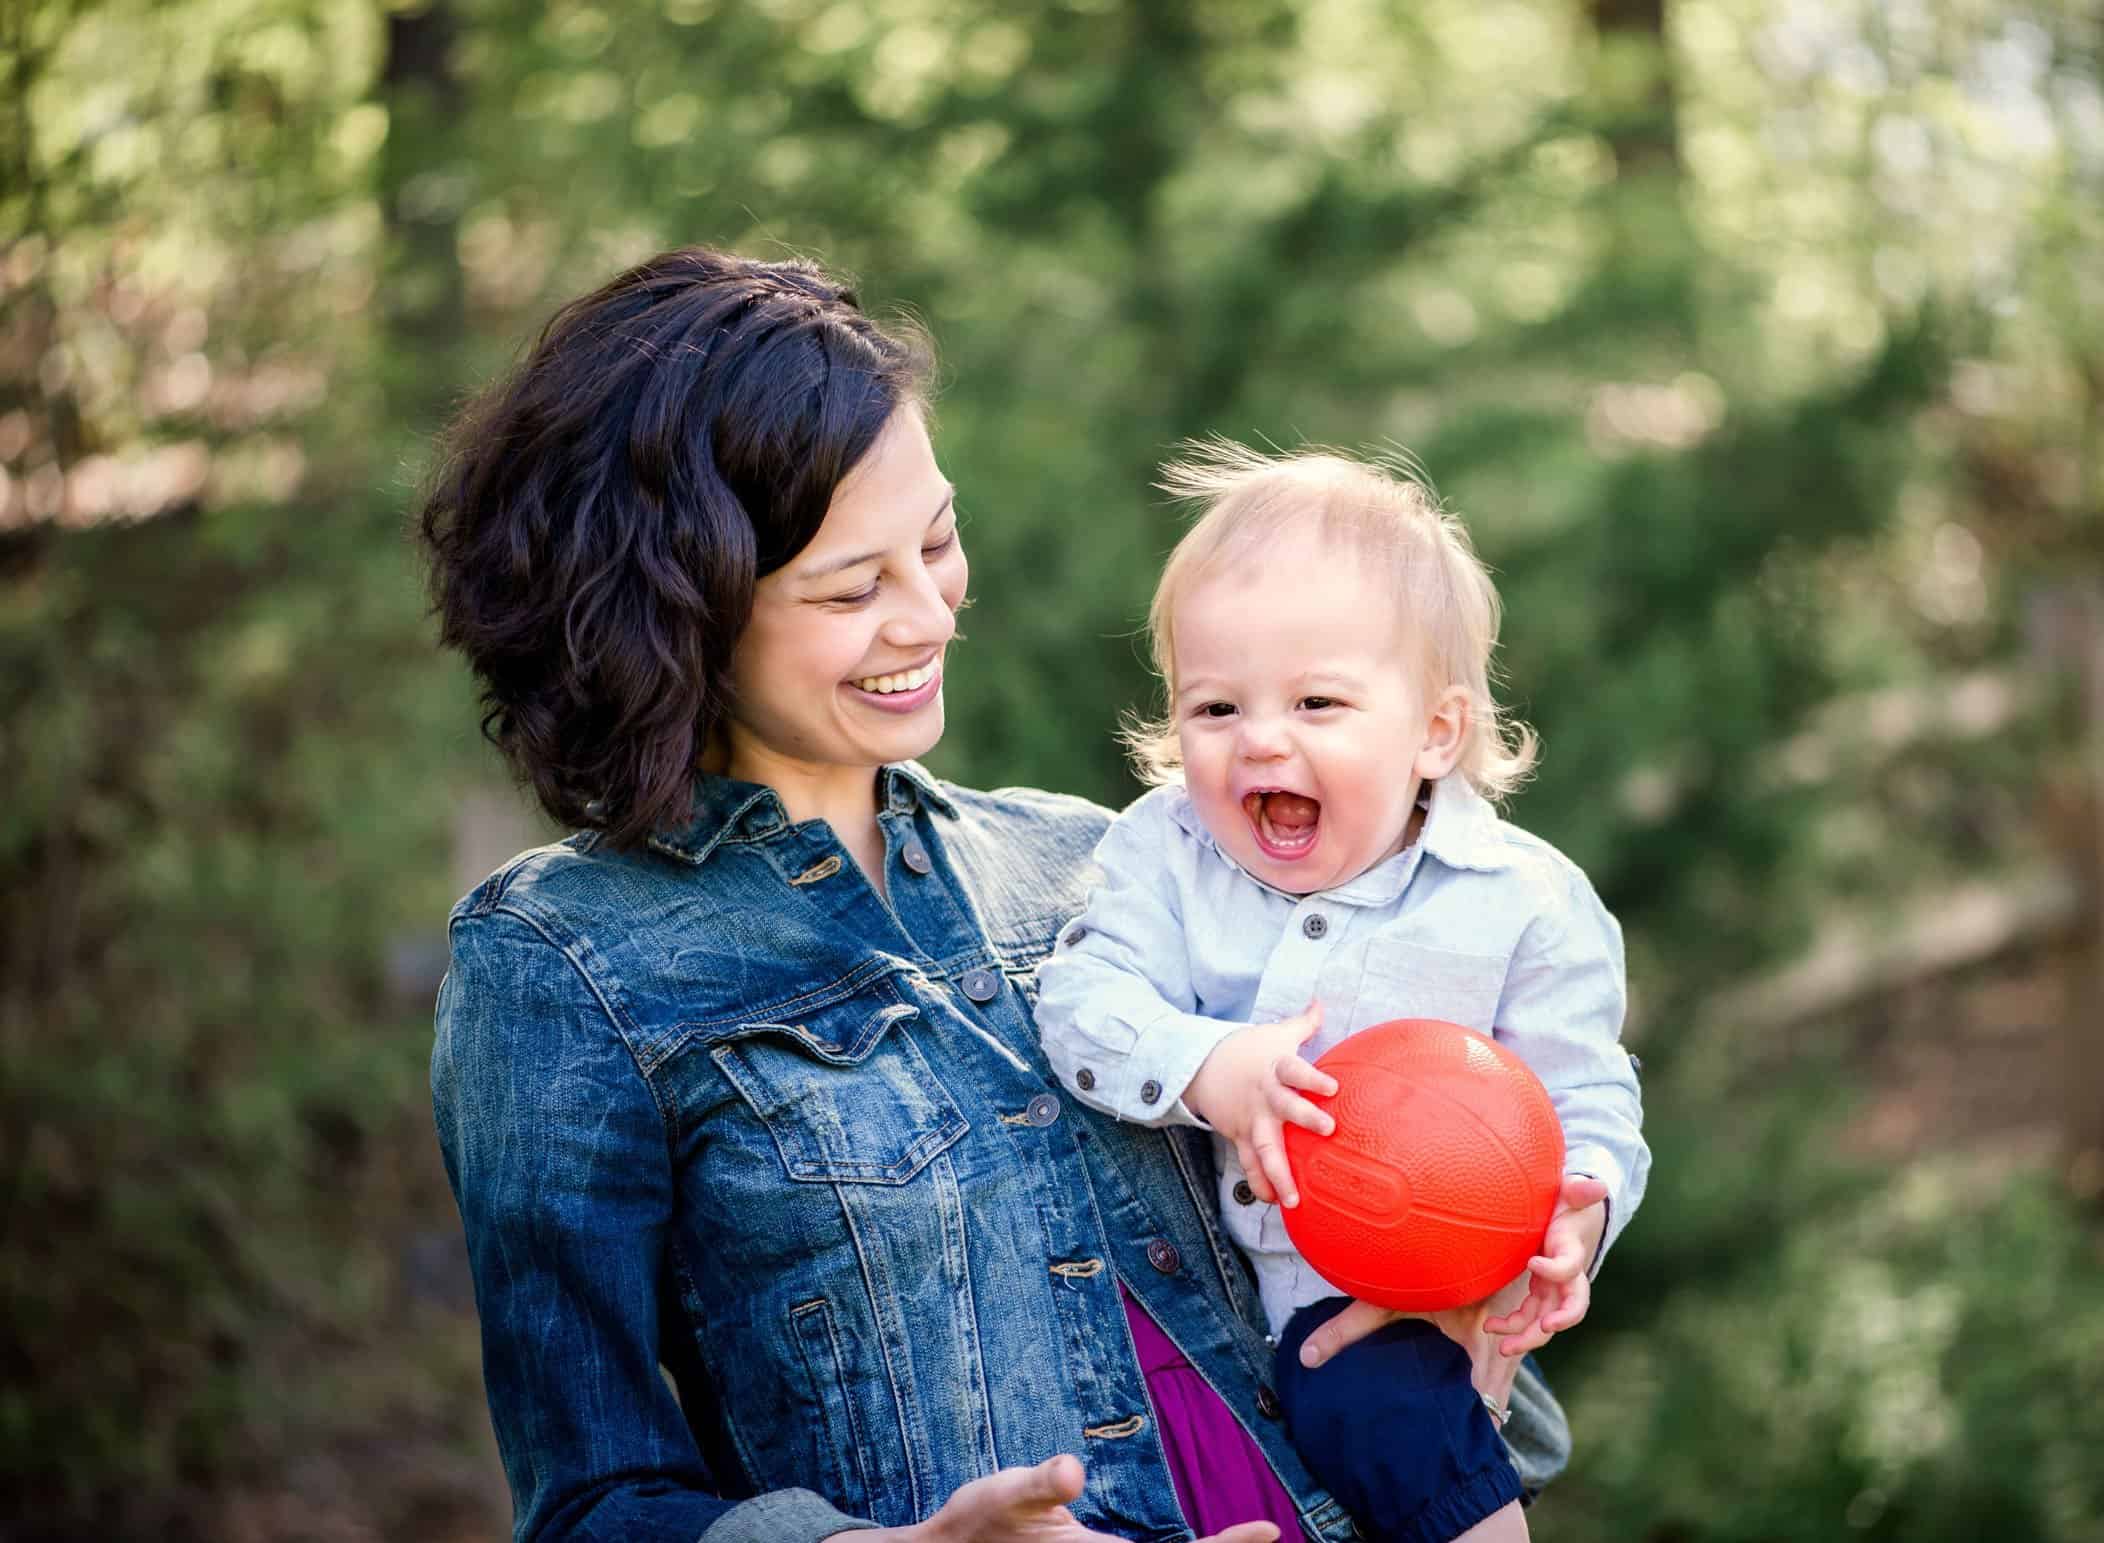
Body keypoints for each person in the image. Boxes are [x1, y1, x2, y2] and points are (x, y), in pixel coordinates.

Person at [416, 246, 1572, 1543]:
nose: (929, 612)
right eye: (855, 587)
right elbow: (591, 1504)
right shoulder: (562, 964)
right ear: (679, 615)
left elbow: (1349, 1277)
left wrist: (1471, 1295)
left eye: (939, 539)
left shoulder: (1105, 858)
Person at [1035, 443, 1650, 1543]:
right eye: (1214, 708)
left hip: (1418, 1305)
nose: (1260, 739)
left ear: (1434, 731)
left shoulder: (1520, 903)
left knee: (1398, 1415)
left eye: (1317, 701)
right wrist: (1209, 1065)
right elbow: (1079, 999)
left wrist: (1581, 1208)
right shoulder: (1165, 856)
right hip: (1204, 1303)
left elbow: (1589, 1096)